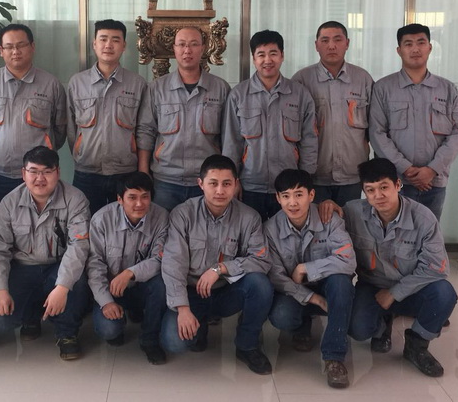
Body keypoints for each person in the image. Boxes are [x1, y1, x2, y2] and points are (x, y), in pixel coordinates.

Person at [321, 158, 457, 377]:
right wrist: (327, 204)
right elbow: (326, 227)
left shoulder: (423, 218)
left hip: (412, 288)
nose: (378, 195)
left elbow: (436, 268)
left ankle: (417, 344)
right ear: (364, 192)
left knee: (444, 293)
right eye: (370, 190)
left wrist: (394, 293)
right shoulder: (353, 212)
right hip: (372, 287)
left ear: (398, 185)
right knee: (357, 328)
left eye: (384, 187)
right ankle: (382, 324)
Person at [160, 155, 273, 375]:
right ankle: (199, 324)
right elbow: (173, 263)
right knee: (174, 342)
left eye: (227, 184)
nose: (220, 191)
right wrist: (182, 308)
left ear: (236, 185)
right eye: (213, 183)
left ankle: (247, 345)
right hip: (191, 294)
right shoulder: (183, 214)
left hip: (226, 291)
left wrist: (220, 269)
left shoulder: (249, 217)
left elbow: (261, 259)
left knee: (260, 284)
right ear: (200, 184)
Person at [0, 146, 91, 360]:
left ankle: (67, 333)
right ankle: (31, 317)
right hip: (23, 268)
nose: (40, 178)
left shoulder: (76, 199)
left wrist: (62, 287)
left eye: (47, 172)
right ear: (23, 174)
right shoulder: (9, 203)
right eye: (33, 171)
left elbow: (78, 247)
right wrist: (0, 291)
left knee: (77, 280)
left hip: (58, 266)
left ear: (58, 172)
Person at [265, 169, 356, 388]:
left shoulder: (330, 219)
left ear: (311, 195)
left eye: (299, 194)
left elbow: (348, 260)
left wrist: (305, 268)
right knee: (282, 316)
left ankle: (334, 357)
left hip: (327, 284)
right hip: (294, 290)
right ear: (278, 198)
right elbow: (276, 276)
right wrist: (313, 298)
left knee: (341, 284)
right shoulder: (270, 229)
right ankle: (302, 326)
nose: (293, 203)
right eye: (286, 196)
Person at [369, 23, 458, 220]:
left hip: (434, 182)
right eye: (408, 44)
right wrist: (406, 168)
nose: (415, 49)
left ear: (429, 47)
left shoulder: (447, 89)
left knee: (429, 232)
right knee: (395, 233)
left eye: (421, 42)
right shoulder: (383, 88)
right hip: (396, 181)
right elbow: (377, 133)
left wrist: (432, 169)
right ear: (399, 50)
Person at [222, 30, 318, 222]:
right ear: (253, 59)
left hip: (289, 189)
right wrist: (232, 181)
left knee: (287, 236)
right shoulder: (238, 95)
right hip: (250, 186)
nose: (267, 60)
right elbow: (231, 142)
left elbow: (309, 141)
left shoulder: (299, 94)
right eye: (261, 55)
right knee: (249, 234)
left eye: (273, 53)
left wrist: (304, 182)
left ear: (282, 56)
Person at [0, 24, 67, 208]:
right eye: (9, 47)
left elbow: (60, 128)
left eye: (21, 45)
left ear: (32, 47)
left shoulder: (51, 84)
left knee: (39, 222)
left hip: (38, 175)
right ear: (1, 51)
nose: (15, 51)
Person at [136, 26, 231, 211]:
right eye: (182, 44)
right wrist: (143, 172)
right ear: (174, 49)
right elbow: (146, 132)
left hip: (207, 181)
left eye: (194, 44)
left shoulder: (220, 89)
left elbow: (229, 138)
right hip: (165, 181)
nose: (187, 50)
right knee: (164, 227)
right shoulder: (157, 89)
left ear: (203, 48)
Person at [87, 172, 169, 364]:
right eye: (132, 197)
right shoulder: (101, 220)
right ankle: (117, 319)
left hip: (142, 284)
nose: (139, 204)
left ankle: (150, 339)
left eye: (145, 197)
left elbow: (160, 258)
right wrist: (106, 302)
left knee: (162, 283)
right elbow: (94, 265)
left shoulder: (161, 217)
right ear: (120, 199)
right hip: (111, 288)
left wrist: (130, 273)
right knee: (109, 330)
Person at [67, 19, 147, 215]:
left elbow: (144, 129)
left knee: (124, 223)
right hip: (86, 172)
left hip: (125, 172)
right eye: (103, 39)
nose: (108, 45)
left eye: (115, 40)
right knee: (85, 222)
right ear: (94, 44)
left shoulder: (137, 84)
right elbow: (69, 127)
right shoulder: (77, 83)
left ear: (124, 46)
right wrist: (80, 151)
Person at [292, 21, 374, 206]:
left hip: (353, 175)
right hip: (314, 176)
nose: (331, 46)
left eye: (337, 39)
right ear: (316, 45)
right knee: (316, 223)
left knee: (351, 222)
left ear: (347, 43)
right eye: (325, 40)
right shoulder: (301, 80)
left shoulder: (363, 79)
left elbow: (375, 129)